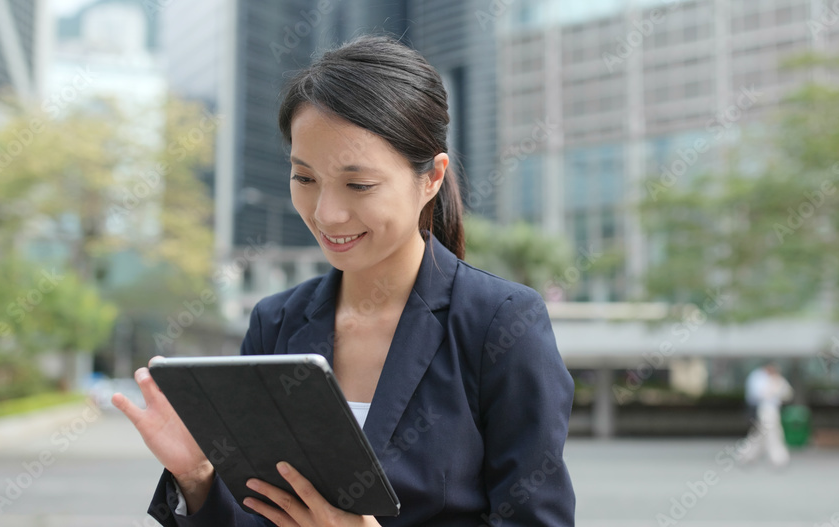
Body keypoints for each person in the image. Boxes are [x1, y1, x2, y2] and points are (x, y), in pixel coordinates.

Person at [112, 34, 576, 527]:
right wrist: (199, 476)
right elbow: (257, 515)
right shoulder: (277, 322)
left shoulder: (500, 324)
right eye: (305, 179)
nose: (327, 214)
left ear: (432, 178)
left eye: (359, 185)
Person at [736, 362, 794, 467]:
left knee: (760, 434)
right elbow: (758, 394)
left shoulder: (776, 379)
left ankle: (746, 455)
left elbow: (787, 393)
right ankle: (778, 458)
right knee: (771, 433)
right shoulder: (758, 377)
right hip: (764, 409)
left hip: (772, 409)